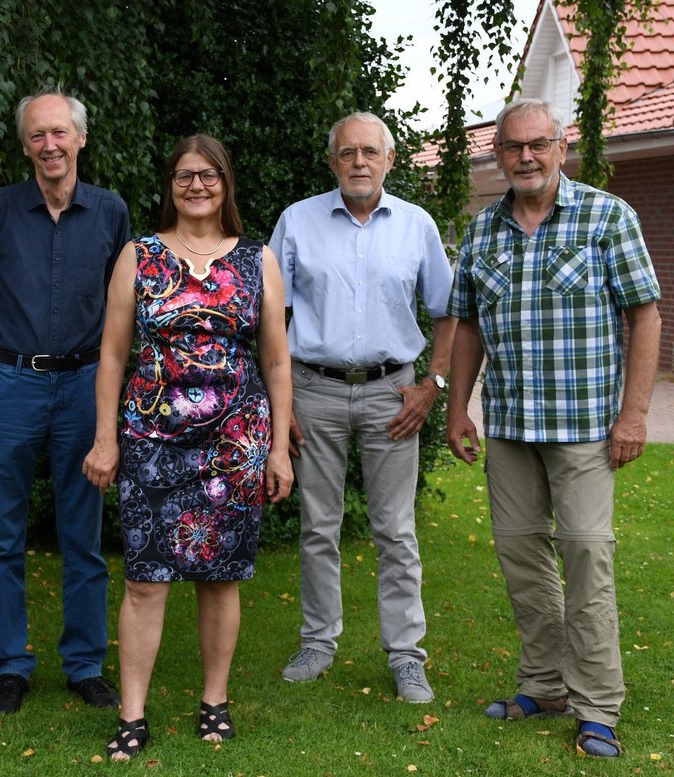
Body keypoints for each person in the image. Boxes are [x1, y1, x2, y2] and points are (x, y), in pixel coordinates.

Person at [446, 98, 662, 759]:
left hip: (585, 426)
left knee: (587, 555)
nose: (526, 157)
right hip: (511, 425)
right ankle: (544, 685)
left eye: (538, 144)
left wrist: (634, 414)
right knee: (521, 556)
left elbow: (645, 315)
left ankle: (598, 707)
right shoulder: (482, 232)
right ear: (498, 154)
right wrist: (457, 407)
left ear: (562, 147)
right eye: (513, 147)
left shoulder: (606, 216)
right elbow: (468, 325)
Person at [83, 134, 295, 760]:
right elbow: (112, 355)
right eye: (184, 175)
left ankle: (214, 702)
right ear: (170, 185)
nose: (196, 185)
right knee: (145, 581)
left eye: (208, 175)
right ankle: (132, 714)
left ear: (225, 183)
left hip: (235, 442)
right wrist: (105, 440)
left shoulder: (258, 259)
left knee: (220, 578)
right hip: (151, 439)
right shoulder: (139, 255)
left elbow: (277, 362)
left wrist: (279, 449)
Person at [268, 111, 455, 703]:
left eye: (370, 152)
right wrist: (281, 402)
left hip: (392, 393)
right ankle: (318, 642)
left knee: (396, 531)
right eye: (347, 152)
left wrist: (434, 384)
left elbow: (447, 310)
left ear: (389, 160)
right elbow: (269, 314)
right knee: (318, 526)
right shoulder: (297, 221)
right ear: (332, 161)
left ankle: (406, 656)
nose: (358, 162)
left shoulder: (417, 225)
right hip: (313, 390)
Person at [0, 88, 130, 714]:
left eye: (60, 132)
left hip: (86, 387)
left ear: (80, 138)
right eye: (37, 134)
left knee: (83, 534)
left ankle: (85, 664)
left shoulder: (111, 212)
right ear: (25, 144)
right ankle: (10, 664)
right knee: (1, 534)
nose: (50, 144)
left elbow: (121, 309)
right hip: (9, 382)